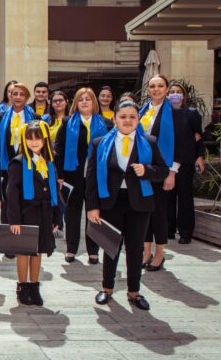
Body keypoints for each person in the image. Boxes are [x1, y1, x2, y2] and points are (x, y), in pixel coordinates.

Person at [87, 101, 169, 311]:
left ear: (138, 119)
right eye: (123, 116)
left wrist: (147, 170)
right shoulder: (99, 143)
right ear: (115, 119)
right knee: (110, 247)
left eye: (132, 116)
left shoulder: (149, 142)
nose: (127, 120)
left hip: (139, 203)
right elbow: (92, 178)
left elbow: (162, 171)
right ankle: (106, 288)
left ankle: (134, 291)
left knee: (135, 248)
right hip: (110, 202)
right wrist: (92, 206)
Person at [54, 88, 112, 264]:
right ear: (76, 104)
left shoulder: (106, 123)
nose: (85, 102)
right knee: (72, 213)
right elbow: (59, 149)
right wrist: (60, 176)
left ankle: (93, 251)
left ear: (94, 102)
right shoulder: (67, 122)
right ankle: (71, 249)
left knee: (94, 213)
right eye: (81, 100)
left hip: (96, 176)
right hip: (73, 175)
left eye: (88, 99)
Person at [7, 121, 62, 306]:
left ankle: (34, 286)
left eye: (37, 137)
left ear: (45, 139)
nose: (33, 142)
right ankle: (22, 286)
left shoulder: (49, 162)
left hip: (44, 213)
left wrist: (56, 216)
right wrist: (14, 220)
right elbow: (11, 193)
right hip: (25, 213)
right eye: (29, 138)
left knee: (38, 251)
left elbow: (55, 191)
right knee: (24, 252)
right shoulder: (18, 162)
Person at [140, 75, 183, 271]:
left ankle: (160, 253)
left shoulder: (174, 112)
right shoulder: (143, 110)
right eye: (152, 86)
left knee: (159, 213)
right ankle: (146, 251)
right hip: (144, 169)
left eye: (160, 86)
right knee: (145, 211)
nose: (156, 89)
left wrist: (172, 173)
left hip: (162, 170)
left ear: (166, 89)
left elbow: (181, 144)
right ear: (148, 89)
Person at [0, 82, 38, 228]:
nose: (17, 97)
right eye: (14, 94)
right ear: (9, 96)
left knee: (28, 198)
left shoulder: (35, 116)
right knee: (8, 199)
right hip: (7, 164)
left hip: (29, 162)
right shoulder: (1, 116)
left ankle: (27, 235)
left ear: (27, 97)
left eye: (21, 94)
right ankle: (9, 242)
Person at [166, 82, 205, 245]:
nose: (175, 94)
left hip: (186, 160)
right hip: (167, 161)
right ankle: (168, 230)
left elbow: (199, 137)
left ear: (183, 95)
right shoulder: (164, 112)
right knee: (167, 197)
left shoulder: (192, 113)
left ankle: (185, 232)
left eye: (178, 92)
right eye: (172, 92)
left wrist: (200, 156)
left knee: (185, 197)